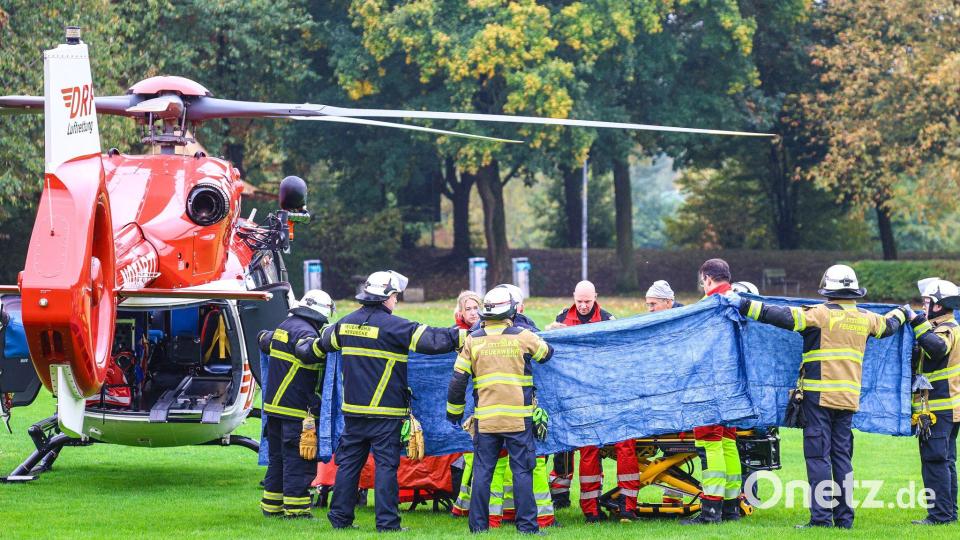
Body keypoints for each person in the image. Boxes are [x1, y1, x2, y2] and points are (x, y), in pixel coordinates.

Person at [738, 264, 906, 529]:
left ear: (828, 291)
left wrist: (743, 304)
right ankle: (845, 520)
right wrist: (903, 312)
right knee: (842, 458)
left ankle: (820, 520)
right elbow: (890, 325)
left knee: (818, 457)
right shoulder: (866, 318)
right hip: (849, 399)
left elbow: (779, 315)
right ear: (854, 292)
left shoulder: (820, 314)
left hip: (819, 397)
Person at [301, 270, 464, 532]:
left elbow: (313, 349)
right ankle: (388, 524)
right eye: (396, 296)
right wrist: (470, 334)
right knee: (387, 467)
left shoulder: (344, 324)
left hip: (353, 413)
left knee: (348, 466)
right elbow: (435, 341)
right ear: (387, 297)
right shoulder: (397, 326)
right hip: (386, 413)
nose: (397, 301)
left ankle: (340, 519)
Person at [446, 286, 554, 534]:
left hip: (486, 421)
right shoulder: (523, 336)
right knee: (522, 472)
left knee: (483, 472)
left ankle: (478, 527)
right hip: (518, 420)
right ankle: (527, 527)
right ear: (512, 310)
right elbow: (547, 354)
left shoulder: (474, 340)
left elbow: (458, 379)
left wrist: (454, 413)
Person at [545, 281, 639, 522]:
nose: (584, 306)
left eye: (588, 301)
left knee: (625, 446)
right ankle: (590, 510)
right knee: (587, 449)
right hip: (578, 396)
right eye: (580, 301)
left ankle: (628, 506)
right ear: (573, 298)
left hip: (607, 394)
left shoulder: (608, 320)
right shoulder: (562, 318)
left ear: (595, 297)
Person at [256, 289, 334, 519]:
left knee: (277, 459)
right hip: (296, 411)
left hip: (274, 409)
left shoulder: (285, 326)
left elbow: (263, 339)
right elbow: (306, 350)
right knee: (298, 461)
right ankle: (297, 511)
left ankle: (272, 507)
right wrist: (328, 342)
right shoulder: (304, 331)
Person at [682, 258, 744, 524]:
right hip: (735, 386)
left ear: (707, 278)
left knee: (709, 442)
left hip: (709, 385)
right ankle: (731, 507)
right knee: (729, 442)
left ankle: (710, 511)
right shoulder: (742, 301)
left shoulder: (707, 307)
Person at [906, 278, 960, 525]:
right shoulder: (946, 326)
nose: (922, 307)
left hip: (939, 409)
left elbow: (937, 349)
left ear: (939, 305)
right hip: (946, 409)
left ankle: (939, 516)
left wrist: (916, 322)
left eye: (926, 302)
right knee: (945, 460)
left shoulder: (945, 328)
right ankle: (949, 514)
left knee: (936, 460)